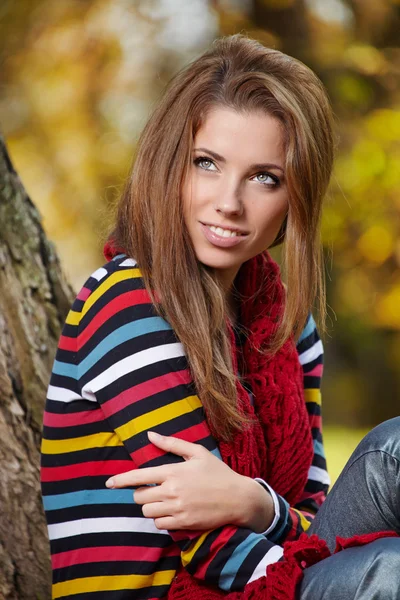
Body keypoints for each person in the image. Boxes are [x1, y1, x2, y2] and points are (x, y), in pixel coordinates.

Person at [40, 34, 400, 600]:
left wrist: (254, 502)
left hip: (272, 569)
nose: (228, 203)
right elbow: (215, 548)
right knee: (390, 566)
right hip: (181, 591)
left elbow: (312, 510)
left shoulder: (290, 326)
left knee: (393, 451)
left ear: (295, 197)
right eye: (206, 164)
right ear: (169, 167)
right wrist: (274, 517)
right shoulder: (127, 305)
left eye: (265, 177)